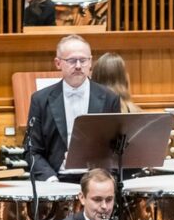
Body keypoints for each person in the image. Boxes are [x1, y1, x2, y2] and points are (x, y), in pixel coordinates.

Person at [25, 34, 121, 182]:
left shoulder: (109, 98)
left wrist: (104, 178)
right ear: (58, 63)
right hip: (57, 180)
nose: (78, 66)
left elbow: (115, 148)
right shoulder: (40, 100)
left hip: (97, 181)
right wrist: (50, 178)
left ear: (90, 62)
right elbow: (32, 150)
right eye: (71, 60)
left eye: (83, 60)